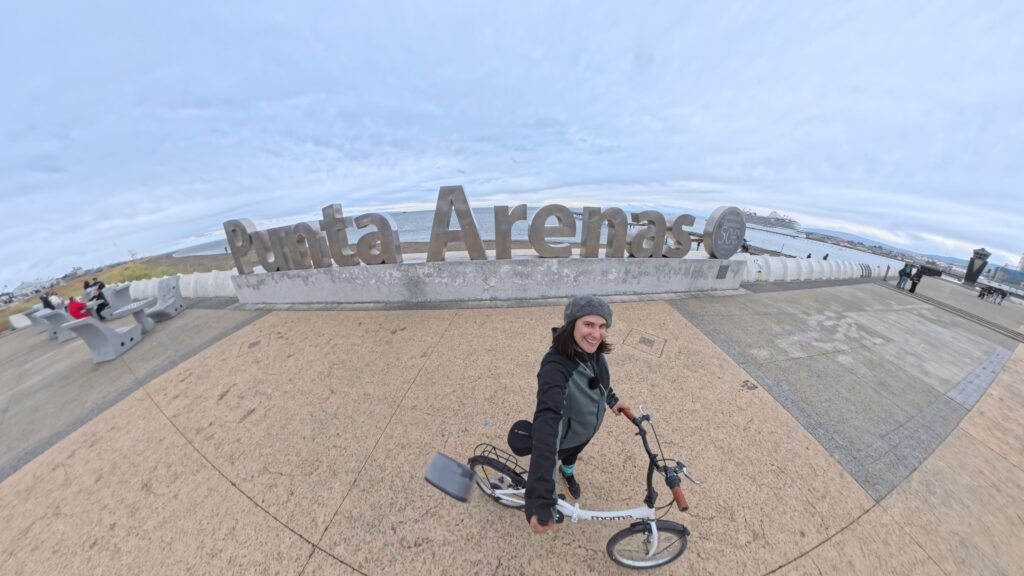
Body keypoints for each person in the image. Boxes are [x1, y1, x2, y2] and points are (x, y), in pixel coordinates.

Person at [524, 295, 633, 535]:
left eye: (602, 326)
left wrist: (613, 399)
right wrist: (541, 499)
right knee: (561, 453)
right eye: (589, 324)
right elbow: (547, 422)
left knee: (573, 456)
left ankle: (568, 472)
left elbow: (599, 383)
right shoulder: (555, 367)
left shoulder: (593, 353)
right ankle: (555, 474)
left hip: (583, 432)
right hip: (561, 438)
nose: (597, 333)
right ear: (571, 324)